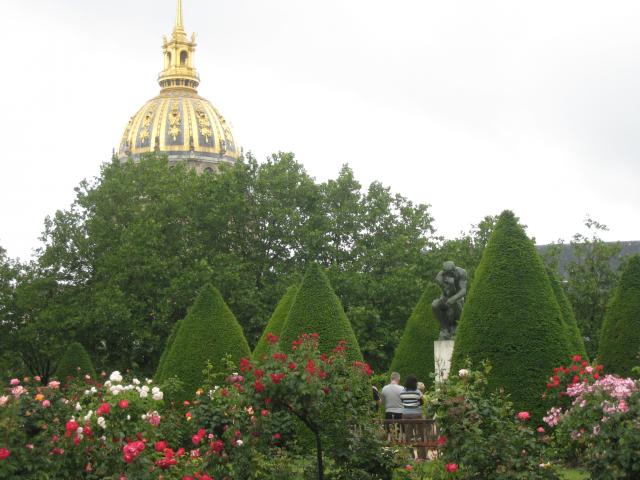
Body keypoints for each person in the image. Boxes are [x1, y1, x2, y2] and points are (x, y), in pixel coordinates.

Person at [400, 375, 424, 447]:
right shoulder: (417, 392)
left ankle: (410, 455)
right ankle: (421, 456)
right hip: (417, 415)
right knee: (419, 435)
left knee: (408, 435)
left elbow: (402, 401)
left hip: (406, 415)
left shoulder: (402, 392)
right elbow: (422, 401)